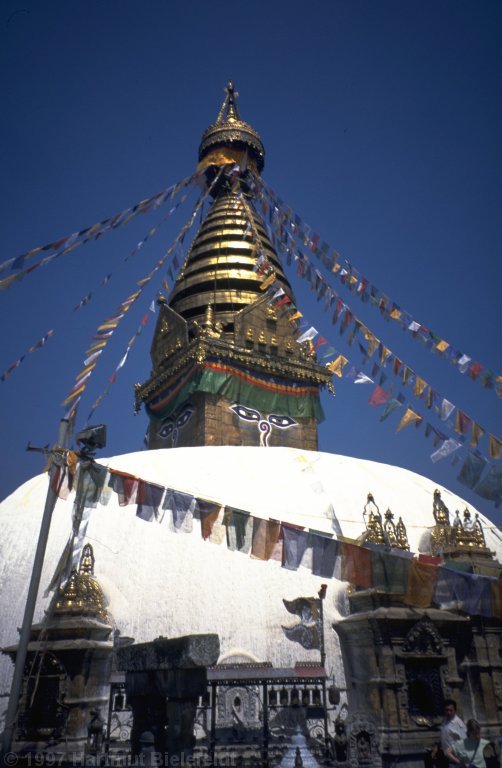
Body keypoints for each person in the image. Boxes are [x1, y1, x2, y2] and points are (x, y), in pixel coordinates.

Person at [440, 699, 466, 766]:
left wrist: (459, 761)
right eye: (446, 710)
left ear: (455, 710)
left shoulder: (458, 724)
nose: (448, 712)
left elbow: (464, 741)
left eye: (451, 710)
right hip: (448, 758)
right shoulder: (445, 721)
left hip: (456, 759)